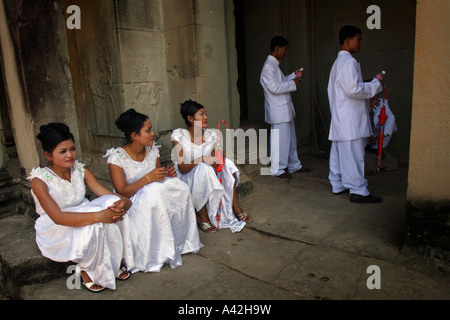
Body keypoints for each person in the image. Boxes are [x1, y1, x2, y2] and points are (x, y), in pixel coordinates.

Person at [28, 123, 132, 293]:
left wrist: (123, 203)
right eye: (63, 151)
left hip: (83, 210)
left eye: (73, 149)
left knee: (110, 205)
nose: (70, 155)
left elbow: (105, 194)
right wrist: (99, 216)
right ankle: (86, 269)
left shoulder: (81, 170)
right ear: (48, 155)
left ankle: (114, 260)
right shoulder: (39, 180)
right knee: (96, 221)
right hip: (57, 225)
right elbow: (57, 217)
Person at [105, 108, 202, 273]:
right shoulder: (116, 158)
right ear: (135, 136)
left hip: (153, 196)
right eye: (147, 130)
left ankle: (182, 242)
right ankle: (157, 251)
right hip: (131, 201)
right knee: (154, 192)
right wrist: (148, 178)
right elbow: (122, 191)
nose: (153, 133)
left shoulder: (153, 150)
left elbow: (158, 180)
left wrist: (166, 175)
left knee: (180, 188)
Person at [171, 100, 251, 233]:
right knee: (203, 168)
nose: (206, 117)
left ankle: (235, 206)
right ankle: (202, 215)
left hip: (207, 173)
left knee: (227, 163)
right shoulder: (179, 136)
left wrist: (218, 156)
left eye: (205, 114)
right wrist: (202, 159)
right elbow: (182, 168)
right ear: (190, 118)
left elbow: (213, 156)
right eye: (201, 114)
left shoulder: (210, 135)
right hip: (187, 175)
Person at [327, 25, 384, 203]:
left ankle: (337, 184)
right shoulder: (348, 62)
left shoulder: (338, 63)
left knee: (339, 154)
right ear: (347, 41)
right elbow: (354, 89)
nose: (360, 43)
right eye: (358, 39)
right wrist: (375, 84)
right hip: (349, 120)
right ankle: (358, 190)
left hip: (341, 117)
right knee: (353, 155)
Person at [260, 35, 310, 178]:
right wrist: (293, 83)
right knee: (279, 142)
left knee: (290, 141)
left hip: (284, 110)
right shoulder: (268, 67)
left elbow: (280, 82)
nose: (285, 53)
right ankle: (278, 169)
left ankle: (294, 165)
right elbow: (274, 88)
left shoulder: (274, 65)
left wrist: (292, 76)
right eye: (284, 49)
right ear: (277, 48)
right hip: (278, 112)